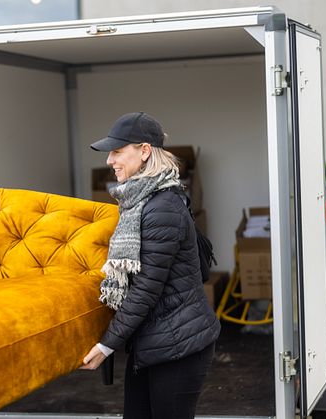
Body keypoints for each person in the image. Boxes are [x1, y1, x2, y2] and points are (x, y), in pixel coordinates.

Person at [80, 112, 220, 419]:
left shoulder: (161, 207)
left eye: (117, 151)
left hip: (179, 347)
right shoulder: (144, 200)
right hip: (154, 341)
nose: (109, 160)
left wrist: (106, 346)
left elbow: (145, 288)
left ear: (144, 151)